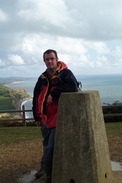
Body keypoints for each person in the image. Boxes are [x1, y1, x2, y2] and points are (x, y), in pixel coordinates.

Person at [32, 49, 79, 183]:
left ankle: (48, 175)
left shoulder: (65, 73)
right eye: (47, 59)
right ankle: (44, 168)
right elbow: (36, 98)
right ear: (44, 61)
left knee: (51, 147)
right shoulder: (42, 78)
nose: (50, 61)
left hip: (58, 118)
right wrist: (36, 116)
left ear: (57, 59)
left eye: (52, 58)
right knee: (47, 144)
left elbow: (73, 86)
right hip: (44, 117)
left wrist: (54, 93)